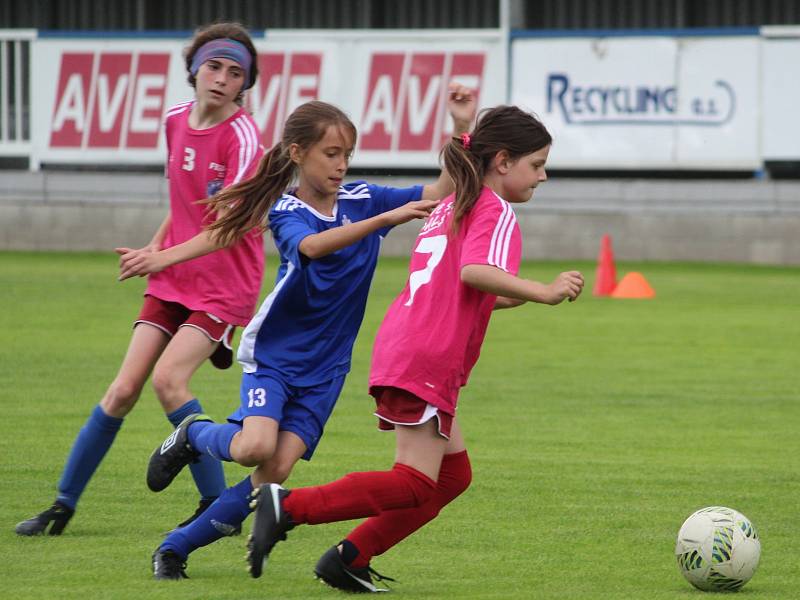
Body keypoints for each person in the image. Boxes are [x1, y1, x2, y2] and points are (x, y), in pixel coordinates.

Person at [116, 85, 477, 579]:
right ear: (296, 153)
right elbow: (311, 248)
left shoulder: (363, 198)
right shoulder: (288, 210)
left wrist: (461, 128)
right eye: (331, 153)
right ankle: (193, 433)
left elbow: (441, 192)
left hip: (327, 369)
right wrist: (385, 220)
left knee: (274, 474)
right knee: (252, 448)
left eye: (347, 154)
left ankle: (176, 547)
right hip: (278, 357)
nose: (341, 164)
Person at [244, 105, 586, 593]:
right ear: (504, 162)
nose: (544, 175)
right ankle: (288, 507)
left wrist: (518, 295)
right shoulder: (495, 209)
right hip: (428, 357)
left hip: (409, 347)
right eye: (538, 164)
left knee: (452, 477)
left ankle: (349, 557)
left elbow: (463, 289)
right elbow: (474, 275)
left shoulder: (454, 204)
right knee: (413, 482)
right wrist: (543, 289)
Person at [15, 22, 264, 537]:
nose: (221, 79)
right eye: (214, 66)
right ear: (194, 69)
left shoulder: (243, 136)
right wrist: (157, 246)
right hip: (177, 274)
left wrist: (161, 259)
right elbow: (186, 204)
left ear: (245, 85)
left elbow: (226, 229)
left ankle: (216, 508)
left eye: (235, 72)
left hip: (224, 284)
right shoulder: (175, 120)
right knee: (123, 389)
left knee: (170, 382)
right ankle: (62, 506)